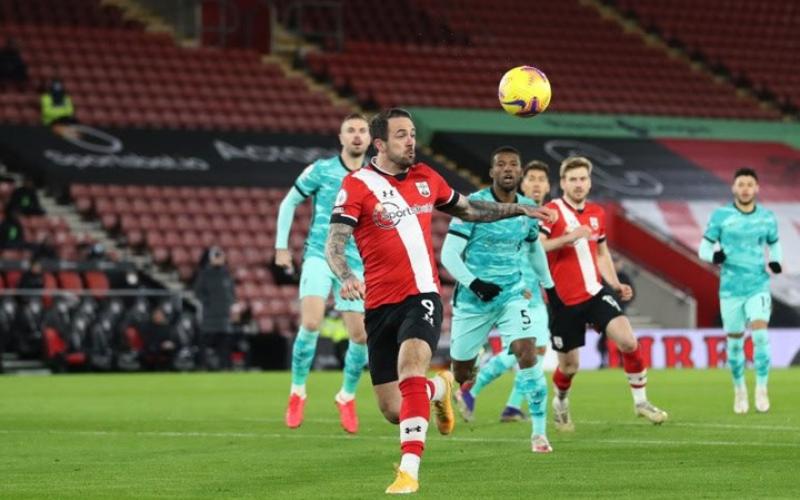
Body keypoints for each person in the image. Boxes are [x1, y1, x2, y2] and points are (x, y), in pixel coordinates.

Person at [326, 108, 556, 493]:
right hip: (379, 304)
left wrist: (517, 208)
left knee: (411, 370)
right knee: (393, 409)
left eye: (412, 134)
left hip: (422, 296)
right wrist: (346, 275)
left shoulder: (426, 178)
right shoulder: (357, 184)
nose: (411, 141)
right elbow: (334, 243)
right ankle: (441, 389)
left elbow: (470, 209)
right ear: (380, 143)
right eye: (401, 135)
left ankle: (408, 471)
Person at [541, 156, 667, 432]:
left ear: (589, 182)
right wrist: (569, 238)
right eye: (572, 179)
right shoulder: (551, 211)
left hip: (595, 292)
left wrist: (615, 283)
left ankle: (641, 402)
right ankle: (560, 401)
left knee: (629, 342)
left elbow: (601, 253)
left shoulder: (597, 213)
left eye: (583, 179)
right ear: (563, 183)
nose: (578, 184)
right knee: (570, 366)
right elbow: (538, 247)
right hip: (562, 301)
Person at [441, 149, 555, 453]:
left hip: (512, 295)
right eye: (501, 165)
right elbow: (448, 254)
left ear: (519, 173)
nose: (507, 169)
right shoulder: (472, 205)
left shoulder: (527, 209)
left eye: (513, 165)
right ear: (491, 172)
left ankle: (539, 433)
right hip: (473, 299)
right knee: (462, 372)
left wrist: (549, 286)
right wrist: (475, 284)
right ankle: (470, 373)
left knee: (527, 352)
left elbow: (534, 249)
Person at [275, 113, 371, 434]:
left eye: (362, 130)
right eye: (350, 130)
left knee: (360, 336)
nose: (356, 135)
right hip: (319, 255)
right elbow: (289, 203)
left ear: (370, 139)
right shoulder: (322, 169)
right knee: (312, 322)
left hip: (355, 265)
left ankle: (346, 397)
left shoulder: (375, 177)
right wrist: (281, 247)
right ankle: (297, 392)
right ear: (341, 138)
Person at [698, 167, 782, 413]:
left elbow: (774, 244)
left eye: (749, 184)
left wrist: (775, 261)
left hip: (758, 285)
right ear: (733, 188)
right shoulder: (721, 216)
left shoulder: (767, 217)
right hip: (730, 289)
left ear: (757, 188)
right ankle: (739, 390)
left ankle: (762, 388)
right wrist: (714, 256)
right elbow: (704, 248)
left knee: (760, 336)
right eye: (741, 184)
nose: (745, 189)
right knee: (734, 344)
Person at [193, 246, 236, 370]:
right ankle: (203, 366)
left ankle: (225, 367)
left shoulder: (227, 274)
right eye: (216, 256)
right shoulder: (204, 274)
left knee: (225, 345)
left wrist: (230, 305)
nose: (218, 259)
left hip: (224, 316)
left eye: (220, 256)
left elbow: (232, 293)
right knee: (205, 343)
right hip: (209, 316)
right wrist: (209, 303)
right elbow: (198, 292)